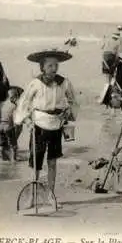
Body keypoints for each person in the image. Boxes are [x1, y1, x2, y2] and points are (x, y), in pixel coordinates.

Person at [14, 48, 79, 197]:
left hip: (56, 124)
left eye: (56, 65)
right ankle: (32, 195)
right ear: (42, 67)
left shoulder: (64, 83)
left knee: (52, 162)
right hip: (39, 125)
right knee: (35, 164)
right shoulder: (35, 83)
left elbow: (73, 101)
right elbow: (24, 102)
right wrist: (25, 119)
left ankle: (51, 195)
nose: (54, 68)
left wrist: (69, 113)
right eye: (50, 65)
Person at [0, 86, 23, 161]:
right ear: (14, 97)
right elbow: (17, 119)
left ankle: (3, 160)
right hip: (8, 126)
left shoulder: (1, 104)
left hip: (0, 126)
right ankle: (13, 160)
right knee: (13, 145)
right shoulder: (14, 106)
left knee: (2, 145)